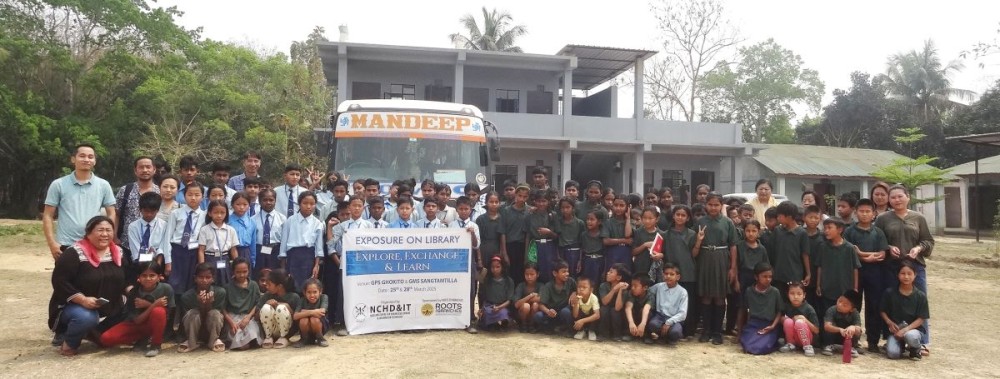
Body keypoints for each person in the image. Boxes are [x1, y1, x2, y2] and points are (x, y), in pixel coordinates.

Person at [49, 216, 128, 356]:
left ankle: (94, 334)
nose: (105, 234)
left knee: (132, 306)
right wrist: (83, 300)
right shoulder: (74, 253)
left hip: (109, 303)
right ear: (89, 233)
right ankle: (70, 343)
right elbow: (60, 281)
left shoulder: (118, 252)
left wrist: (130, 290)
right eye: (100, 230)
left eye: (108, 230)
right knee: (86, 317)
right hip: (75, 305)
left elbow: (127, 276)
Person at [874, 184, 933, 353]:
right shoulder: (883, 218)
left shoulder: (918, 218)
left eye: (900, 196)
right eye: (893, 197)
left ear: (908, 197)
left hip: (915, 267)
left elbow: (928, 241)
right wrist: (888, 247)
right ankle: (891, 337)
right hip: (891, 267)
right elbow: (876, 239)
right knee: (892, 302)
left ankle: (922, 341)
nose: (896, 200)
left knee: (919, 300)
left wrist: (918, 248)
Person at [43, 144, 117, 260]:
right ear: (73, 159)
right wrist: (52, 243)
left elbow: (111, 213)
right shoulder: (58, 184)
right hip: (66, 243)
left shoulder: (103, 185)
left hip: (94, 243)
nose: (86, 159)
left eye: (90, 157)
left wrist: (107, 236)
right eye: (82, 156)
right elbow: (48, 215)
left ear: (94, 161)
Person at [692, 193, 738, 345]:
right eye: (710, 204)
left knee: (719, 296)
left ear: (721, 205)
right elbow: (694, 245)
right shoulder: (700, 221)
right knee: (705, 295)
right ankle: (706, 330)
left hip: (721, 259)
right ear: (706, 205)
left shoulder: (727, 222)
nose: (713, 208)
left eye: (716, 205)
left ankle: (717, 332)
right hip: (704, 259)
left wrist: (733, 268)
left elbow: (733, 246)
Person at [845, 198, 890, 353]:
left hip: (875, 274)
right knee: (853, 305)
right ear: (855, 213)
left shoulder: (878, 232)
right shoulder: (849, 231)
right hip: (855, 273)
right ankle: (853, 340)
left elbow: (882, 254)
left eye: (867, 211)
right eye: (861, 211)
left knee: (874, 306)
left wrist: (861, 254)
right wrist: (866, 257)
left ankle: (873, 341)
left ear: (874, 214)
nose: (864, 214)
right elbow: (849, 252)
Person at [100, 261, 172, 357]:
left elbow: (168, 314)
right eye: (144, 276)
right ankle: (141, 339)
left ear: (159, 277)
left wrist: (148, 305)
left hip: (157, 325)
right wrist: (153, 305)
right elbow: (137, 320)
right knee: (106, 338)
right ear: (139, 278)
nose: (148, 279)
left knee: (159, 311)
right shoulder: (135, 292)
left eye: (152, 275)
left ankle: (155, 345)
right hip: (137, 325)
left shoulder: (166, 288)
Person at [163, 182, 206, 297]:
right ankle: (174, 306)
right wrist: (168, 261)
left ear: (202, 197)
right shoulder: (176, 213)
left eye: (197, 195)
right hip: (177, 251)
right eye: (190, 194)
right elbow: (167, 238)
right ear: (184, 195)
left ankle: (188, 306)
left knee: (191, 283)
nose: (193, 198)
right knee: (174, 283)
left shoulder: (204, 216)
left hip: (194, 252)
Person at [880, 261, 929, 361]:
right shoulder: (889, 293)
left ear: (915, 275)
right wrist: (889, 322)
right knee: (893, 354)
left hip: (913, 330)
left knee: (911, 336)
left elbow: (921, 318)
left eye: (909, 274)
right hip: (896, 331)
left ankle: (915, 348)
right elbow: (882, 310)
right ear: (897, 275)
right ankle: (901, 346)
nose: (906, 277)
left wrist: (906, 330)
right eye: (903, 273)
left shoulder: (920, 296)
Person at [663, 205, 698, 340]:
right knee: (672, 303)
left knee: (689, 304)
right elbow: (662, 252)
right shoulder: (666, 234)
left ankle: (689, 331)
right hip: (671, 274)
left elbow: (694, 254)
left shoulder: (692, 234)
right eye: (677, 214)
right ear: (673, 216)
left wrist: (699, 242)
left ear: (688, 218)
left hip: (688, 272)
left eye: (683, 215)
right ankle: (672, 329)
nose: (680, 217)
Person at [816, 218, 861, 322]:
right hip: (827, 288)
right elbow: (819, 266)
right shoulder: (823, 247)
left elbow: (855, 268)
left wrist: (855, 288)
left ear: (840, 229)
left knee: (844, 317)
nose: (826, 231)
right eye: (825, 228)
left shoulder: (849, 248)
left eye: (829, 228)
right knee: (828, 315)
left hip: (844, 287)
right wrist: (818, 285)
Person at [280, 191, 324, 292]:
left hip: (309, 257)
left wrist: (316, 265)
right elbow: (283, 243)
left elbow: (319, 247)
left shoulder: (317, 223)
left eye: (312, 204)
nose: (308, 206)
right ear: (299, 204)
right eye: (305, 203)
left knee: (307, 285)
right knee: (292, 285)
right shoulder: (290, 221)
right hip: (293, 257)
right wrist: (283, 265)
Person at [179, 262, 227, 353]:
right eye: (201, 277)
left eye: (208, 277)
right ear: (195, 278)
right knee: (192, 313)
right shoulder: (187, 296)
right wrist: (201, 304)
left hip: (212, 330)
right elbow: (188, 320)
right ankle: (192, 342)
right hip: (195, 330)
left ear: (213, 279)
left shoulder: (220, 292)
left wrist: (208, 304)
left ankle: (213, 342)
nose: (204, 280)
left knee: (215, 313)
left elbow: (216, 316)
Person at [737, 263, 782, 355]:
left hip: (769, 326)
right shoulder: (749, 291)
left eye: (770, 277)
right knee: (747, 345)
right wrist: (739, 333)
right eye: (764, 276)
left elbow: (779, 311)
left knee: (762, 346)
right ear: (756, 277)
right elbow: (743, 310)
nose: (768, 279)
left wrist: (773, 326)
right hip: (753, 325)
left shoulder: (775, 292)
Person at [115, 156, 160, 247]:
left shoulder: (160, 192)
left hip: (153, 245)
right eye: (141, 167)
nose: (145, 170)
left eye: (148, 167)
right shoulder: (125, 190)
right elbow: (117, 214)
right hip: (126, 243)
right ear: (135, 170)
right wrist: (114, 236)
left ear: (154, 170)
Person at [452, 196, 481, 333]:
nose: (463, 211)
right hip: (454, 261)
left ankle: (469, 319)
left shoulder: (474, 226)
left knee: (470, 290)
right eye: (461, 209)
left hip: (469, 261)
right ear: (457, 210)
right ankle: (453, 319)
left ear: (471, 210)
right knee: (455, 289)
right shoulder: (451, 225)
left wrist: (472, 234)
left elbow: (476, 245)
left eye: (466, 209)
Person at [770, 201, 811, 299]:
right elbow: (772, 252)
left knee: (793, 299)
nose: (778, 218)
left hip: (794, 274)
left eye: (780, 216)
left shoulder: (802, 233)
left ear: (789, 217)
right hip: (779, 274)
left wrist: (808, 273)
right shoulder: (777, 231)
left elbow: (805, 254)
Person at [126, 193, 168, 283]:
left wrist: (157, 265)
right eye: (146, 211)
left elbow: (162, 247)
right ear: (140, 210)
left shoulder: (163, 225)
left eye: (152, 212)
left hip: (158, 263)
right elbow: (135, 250)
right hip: (139, 263)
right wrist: (148, 260)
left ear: (157, 210)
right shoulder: (133, 227)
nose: (149, 214)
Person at [198, 200, 239, 286]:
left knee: (226, 282)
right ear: (210, 213)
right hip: (210, 258)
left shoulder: (231, 230)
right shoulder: (204, 230)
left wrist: (237, 265)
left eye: (222, 213)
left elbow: (233, 250)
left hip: (225, 258)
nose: (219, 215)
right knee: (211, 283)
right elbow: (201, 250)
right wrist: (202, 267)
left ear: (226, 214)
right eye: (216, 212)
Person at [223, 258, 262, 350]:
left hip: (248, 317)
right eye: (238, 272)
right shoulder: (227, 287)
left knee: (252, 334)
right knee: (239, 339)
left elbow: (257, 303)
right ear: (233, 272)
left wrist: (248, 317)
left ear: (249, 271)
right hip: (233, 317)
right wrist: (231, 322)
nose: (241, 275)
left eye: (245, 272)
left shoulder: (254, 285)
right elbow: (223, 308)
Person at [646, 263, 688, 346]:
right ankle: (660, 336)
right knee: (653, 324)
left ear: (678, 277)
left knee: (675, 332)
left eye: (672, 274)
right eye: (666, 274)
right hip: (660, 316)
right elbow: (648, 291)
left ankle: (670, 338)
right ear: (663, 275)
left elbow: (683, 314)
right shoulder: (659, 287)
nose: (668, 276)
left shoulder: (682, 292)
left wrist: (669, 322)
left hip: (674, 318)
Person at [259, 269, 301, 349]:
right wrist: (266, 304)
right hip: (270, 329)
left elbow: (297, 320)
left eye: (269, 284)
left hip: (288, 329)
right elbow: (257, 316)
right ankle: (268, 337)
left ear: (279, 286)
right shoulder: (267, 295)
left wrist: (288, 308)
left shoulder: (294, 297)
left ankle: (284, 337)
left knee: (281, 308)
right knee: (266, 307)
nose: (266, 286)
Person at [533, 260, 576, 334]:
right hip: (552, 313)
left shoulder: (570, 281)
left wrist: (574, 293)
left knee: (565, 312)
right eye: (564, 272)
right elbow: (541, 304)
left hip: (564, 312)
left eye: (567, 271)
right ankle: (549, 328)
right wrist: (548, 311)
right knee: (538, 316)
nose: (567, 274)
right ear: (555, 273)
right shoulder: (548, 286)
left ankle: (569, 329)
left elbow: (578, 290)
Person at [779, 282, 819, 356]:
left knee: (799, 322)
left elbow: (816, 330)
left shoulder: (808, 308)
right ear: (788, 294)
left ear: (804, 295)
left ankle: (807, 346)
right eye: (792, 293)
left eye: (799, 294)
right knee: (788, 321)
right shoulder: (786, 306)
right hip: (794, 337)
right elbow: (780, 318)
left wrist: (805, 320)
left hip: (807, 338)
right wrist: (784, 319)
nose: (795, 297)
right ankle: (790, 344)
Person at [526, 190, 558, 282]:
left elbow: (557, 236)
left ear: (548, 202)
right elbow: (528, 235)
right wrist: (526, 254)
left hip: (549, 247)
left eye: (544, 201)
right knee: (535, 270)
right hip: (534, 246)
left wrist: (549, 232)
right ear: (534, 201)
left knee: (549, 271)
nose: (541, 204)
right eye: (538, 201)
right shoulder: (530, 215)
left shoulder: (553, 215)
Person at [502, 184, 531, 284]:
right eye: (520, 196)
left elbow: (527, 235)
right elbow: (503, 233)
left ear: (528, 197)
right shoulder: (506, 211)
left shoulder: (529, 211)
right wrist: (504, 253)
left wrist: (526, 254)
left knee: (521, 275)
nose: (522, 199)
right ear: (515, 195)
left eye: (525, 196)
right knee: (509, 275)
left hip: (522, 246)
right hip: (509, 246)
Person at [821, 290, 863, 358]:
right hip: (834, 336)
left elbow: (859, 330)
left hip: (847, 337)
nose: (839, 305)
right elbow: (827, 326)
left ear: (852, 309)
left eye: (845, 305)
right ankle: (829, 346)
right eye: (839, 301)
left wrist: (853, 327)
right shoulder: (832, 310)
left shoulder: (855, 313)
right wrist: (840, 329)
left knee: (855, 331)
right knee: (829, 329)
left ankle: (852, 347)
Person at [479, 257, 515, 331]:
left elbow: (509, 300)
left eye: (498, 267)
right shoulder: (487, 280)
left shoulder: (509, 281)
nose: (495, 269)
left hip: (503, 306)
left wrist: (499, 307)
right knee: (486, 314)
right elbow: (484, 297)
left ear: (502, 267)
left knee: (503, 313)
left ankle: (504, 323)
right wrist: (482, 309)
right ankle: (493, 324)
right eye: (493, 267)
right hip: (489, 306)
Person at [254, 188, 284, 276]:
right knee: (259, 275)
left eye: (271, 200)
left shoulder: (282, 219)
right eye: (265, 200)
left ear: (275, 201)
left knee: (275, 276)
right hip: (259, 250)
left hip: (275, 251)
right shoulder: (253, 219)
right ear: (259, 201)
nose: (268, 202)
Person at [602, 195, 633, 276]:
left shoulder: (631, 222)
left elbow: (627, 234)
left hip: (626, 253)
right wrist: (624, 241)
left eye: (622, 205)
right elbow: (606, 241)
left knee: (625, 276)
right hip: (612, 253)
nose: (618, 208)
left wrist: (628, 218)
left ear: (627, 207)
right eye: (616, 205)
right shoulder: (608, 222)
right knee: (612, 276)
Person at [293, 278, 329, 348]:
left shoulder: (324, 297)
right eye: (309, 292)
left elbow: (322, 312)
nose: (312, 295)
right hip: (306, 328)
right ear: (304, 293)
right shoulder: (302, 300)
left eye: (315, 292)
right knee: (303, 320)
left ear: (320, 291)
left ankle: (320, 338)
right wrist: (312, 312)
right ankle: (304, 339)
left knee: (314, 319)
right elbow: (295, 316)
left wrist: (304, 312)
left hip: (319, 326)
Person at [598, 263, 629, 341]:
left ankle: (617, 335)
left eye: (611, 272)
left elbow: (618, 307)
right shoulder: (603, 286)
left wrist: (620, 290)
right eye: (609, 271)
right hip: (606, 311)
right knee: (604, 309)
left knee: (614, 311)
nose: (607, 273)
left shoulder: (624, 290)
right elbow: (604, 302)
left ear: (618, 277)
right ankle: (603, 334)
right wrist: (614, 289)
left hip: (618, 314)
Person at [802, 205, 824, 313]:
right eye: (810, 217)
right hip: (802, 274)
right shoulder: (800, 233)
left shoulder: (823, 237)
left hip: (818, 275)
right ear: (804, 217)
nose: (813, 220)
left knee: (817, 306)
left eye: (816, 218)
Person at [555, 197, 584, 279]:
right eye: (563, 208)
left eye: (568, 207)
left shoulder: (580, 223)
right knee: (562, 276)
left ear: (573, 208)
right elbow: (556, 240)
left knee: (573, 277)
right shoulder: (558, 222)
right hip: (561, 253)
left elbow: (582, 243)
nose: (565, 210)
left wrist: (580, 260)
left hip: (575, 254)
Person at [632, 206, 663, 283]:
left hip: (656, 269)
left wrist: (660, 255)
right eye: (644, 218)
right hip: (640, 267)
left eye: (650, 218)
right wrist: (644, 245)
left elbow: (664, 252)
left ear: (657, 219)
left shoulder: (661, 234)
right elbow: (633, 252)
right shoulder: (637, 232)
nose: (647, 221)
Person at [476, 192, 506, 265]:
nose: (494, 204)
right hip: (484, 250)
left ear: (499, 203)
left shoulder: (502, 218)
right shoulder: (480, 219)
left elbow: (502, 238)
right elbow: (478, 240)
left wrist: (503, 253)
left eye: (496, 202)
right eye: (491, 202)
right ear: (486, 203)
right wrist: (479, 259)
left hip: (497, 250)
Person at [229, 193, 258, 267]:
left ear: (249, 205)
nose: (241, 207)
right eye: (238, 204)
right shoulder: (227, 221)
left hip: (246, 252)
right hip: (231, 251)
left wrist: (253, 258)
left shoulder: (252, 222)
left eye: (245, 204)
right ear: (232, 205)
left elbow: (253, 243)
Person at [513, 264, 542, 333]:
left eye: (532, 274)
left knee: (535, 305)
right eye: (527, 274)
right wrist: (530, 296)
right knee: (526, 306)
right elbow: (516, 305)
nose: (529, 277)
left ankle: (532, 325)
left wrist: (524, 300)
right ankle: (523, 325)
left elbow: (541, 299)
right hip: (522, 313)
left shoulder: (541, 286)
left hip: (535, 313)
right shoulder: (521, 286)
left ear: (537, 274)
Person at [570, 277, 601, 341]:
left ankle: (591, 331)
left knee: (596, 312)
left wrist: (582, 321)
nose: (581, 289)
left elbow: (597, 315)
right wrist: (576, 303)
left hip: (590, 317)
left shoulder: (593, 298)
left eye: (584, 287)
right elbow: (575, 315)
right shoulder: (576, 297)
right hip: (582, 315)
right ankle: (581, 331)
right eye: (579, 287)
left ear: (591, 290)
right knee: (574, 311)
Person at [579, 211, 605, 286]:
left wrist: (605, 269)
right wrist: (580, 261)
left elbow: (606, 253)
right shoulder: (584, 235)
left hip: (599, 262)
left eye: (592, 219)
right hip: (587, 262)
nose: (589, 222)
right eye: (587, 219)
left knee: (597, 283)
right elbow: (582, 249)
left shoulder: (603, 235)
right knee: (587, 283)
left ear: (599, 222)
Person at [624, 275, 652, 342]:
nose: (632, 288)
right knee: (628, 312)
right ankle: (630, 333)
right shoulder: (631, 293)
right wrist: (631, 323)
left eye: (635, 286)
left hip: (643, 317)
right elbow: (628, 307)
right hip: (634, 317)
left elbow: (646, 309)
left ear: (645, 287)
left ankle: (646, 335)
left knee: (648, 313)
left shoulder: (650, 295)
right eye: (632, 285)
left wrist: (643, 324)